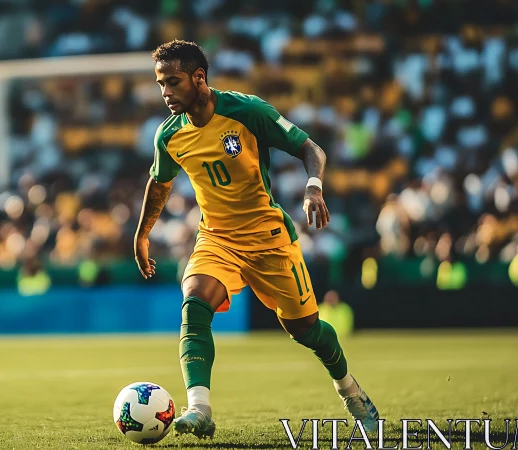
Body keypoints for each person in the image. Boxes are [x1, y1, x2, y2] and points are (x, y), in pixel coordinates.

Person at [133, 40, 379, 439]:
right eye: (160, 83)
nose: (165, 92)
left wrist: (313, 186)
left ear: (199, 77)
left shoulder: (248, 111)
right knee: (194, 299)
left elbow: (309, 148)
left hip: (269, 239)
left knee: (307, 331)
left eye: (173, 82)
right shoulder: (169, 136)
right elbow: (158, 183)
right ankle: (199, 408)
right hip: (217, 238)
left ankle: (352, 393)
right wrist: (142, 234)